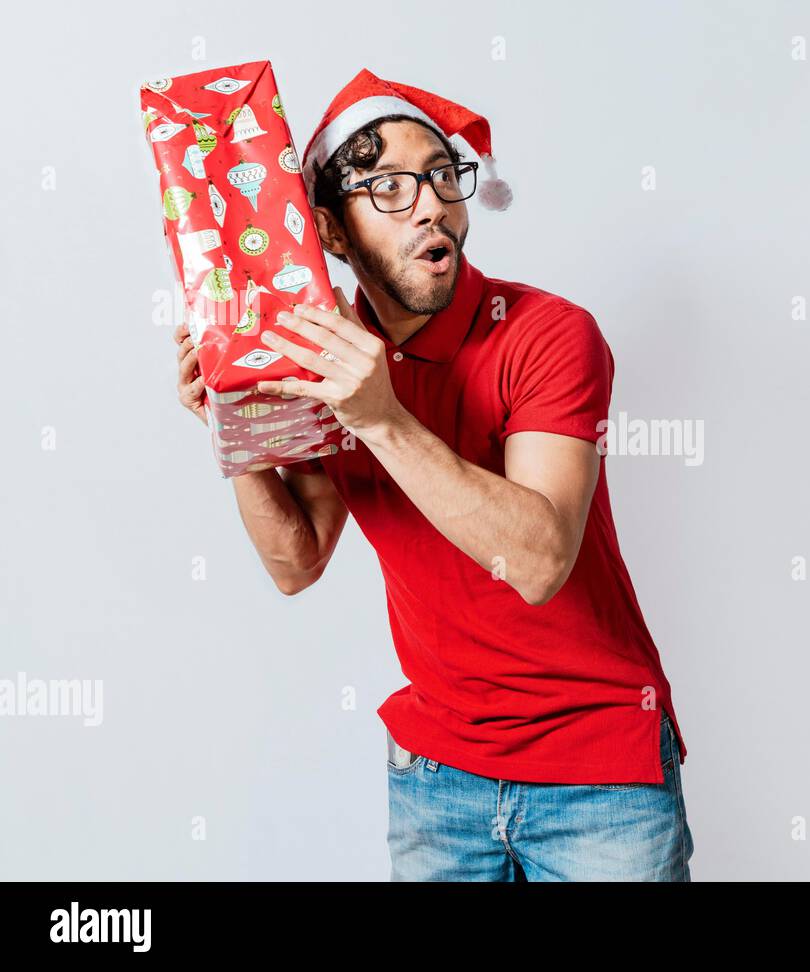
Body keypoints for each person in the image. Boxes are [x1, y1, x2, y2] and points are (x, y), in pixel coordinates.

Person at [172, 69, 692, 881]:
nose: (430, 205)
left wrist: (380, 416)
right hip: (435, 780)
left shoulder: (549, 334)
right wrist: (236, 428)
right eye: (386, 186)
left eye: (444, 177)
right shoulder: (326, 360)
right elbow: (296, 562)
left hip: (600, 777)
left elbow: (540, 559)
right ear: (330, 234)